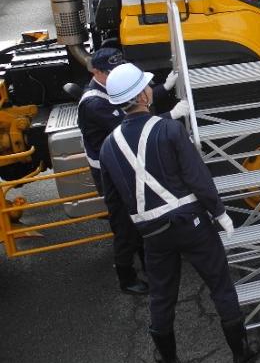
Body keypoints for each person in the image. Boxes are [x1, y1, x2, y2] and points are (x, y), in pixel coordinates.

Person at [98, 63, 259, 363]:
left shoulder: (107, 147)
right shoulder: (169, 129)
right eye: (147, 87)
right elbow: (196, 176)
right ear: (143, 96)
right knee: (220, 284)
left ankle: (169, 359)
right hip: (191, 221)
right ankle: (240, 354)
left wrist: (130, 241)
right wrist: (220, 212)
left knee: (161, 293)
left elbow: (114, 204)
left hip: (152, 232)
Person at [77, 47, 187, 296]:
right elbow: (132, 122)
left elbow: (136, 100)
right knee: (124, 224)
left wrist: (164, 88)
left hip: (123, 160)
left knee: (138, 213)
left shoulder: (109, 89)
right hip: (109, 170)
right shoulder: (94, 102)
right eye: (111, 71)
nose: (117, 75)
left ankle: (147, 263)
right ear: (96, 71)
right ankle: (125, 276)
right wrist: (171, 115)